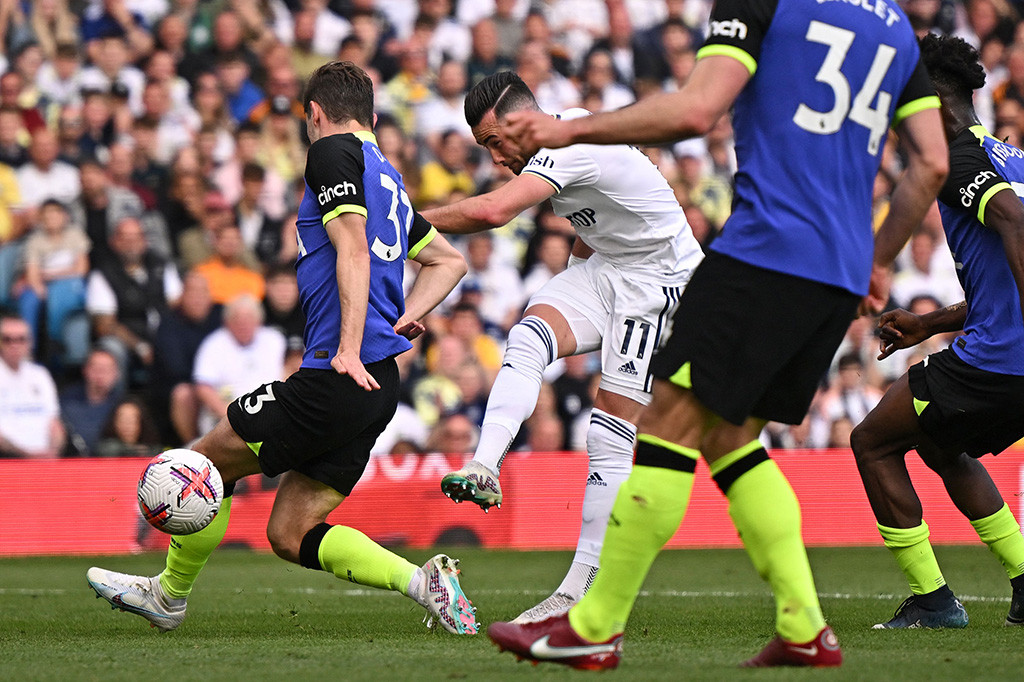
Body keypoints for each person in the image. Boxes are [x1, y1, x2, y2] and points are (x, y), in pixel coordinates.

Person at [494, 0, 949, 669]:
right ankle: (803, 627)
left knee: (667, 422)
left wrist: (569, 132)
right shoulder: (892, 26)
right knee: (732, 439)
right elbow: (931, 164)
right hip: (838, 266)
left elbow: (694, 111)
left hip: (766, 251)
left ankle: (593, 625)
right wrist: (878, 257)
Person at [86, 61, 475, 636]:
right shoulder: (387, 178)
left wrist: (347, 346)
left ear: (314, 114)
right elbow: (449, 261)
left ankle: (168, 595)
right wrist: (402, 319)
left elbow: (354, 251)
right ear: (371, 115)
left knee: (201, 463)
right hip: (377, 383)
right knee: (290, 533)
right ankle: (425, 583)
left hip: (337, 373)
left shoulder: (331, 153)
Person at [425, 71, 703, 623]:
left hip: (661, 284)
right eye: (486, 148)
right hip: (611, 268)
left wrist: (402, 224)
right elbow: (591, 218)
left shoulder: (569, 141)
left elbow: (492, 212)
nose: (497, 158)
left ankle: (582, 588)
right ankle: (484, 466)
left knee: (609, 430)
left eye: (496, 142)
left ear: (522, 120)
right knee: (529, 336)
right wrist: (573, 291)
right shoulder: (555, 153)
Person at [851, 34, 1024, 630]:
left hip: (999, 361)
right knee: (940, 443)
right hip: (1006, 354)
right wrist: (927, 322)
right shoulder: (1012, 158)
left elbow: (1016, 225)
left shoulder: (955, 160)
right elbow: (997, 281)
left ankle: (933, 600)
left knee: (872, 443)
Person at [0, 313, 65, 458]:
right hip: (7, 459)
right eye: (7, 339)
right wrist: (27, 455)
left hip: (45, 459)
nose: (14, 345)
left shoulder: (40, 375)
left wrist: (53, 450)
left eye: (21, 339)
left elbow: (54, 422)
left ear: (30, 342)